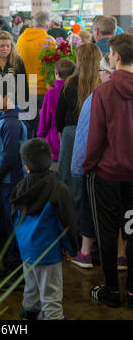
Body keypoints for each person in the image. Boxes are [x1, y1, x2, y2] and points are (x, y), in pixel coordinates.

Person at [83, 33, 133, 309]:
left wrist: (89, 165)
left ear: (116, 57)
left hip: (107, 174)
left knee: (107, 231)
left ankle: (112, 290)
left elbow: (96, 137)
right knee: (132, 229)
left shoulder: (103, 92)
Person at [10, 138, 78, 320]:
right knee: (51, 297)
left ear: (26, 166)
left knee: (31, 289)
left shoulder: (19, 188)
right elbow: (67, 223)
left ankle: (28, 316)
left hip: (27, 251)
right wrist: (71, 248)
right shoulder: (59, 189)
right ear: (50, 159)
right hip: (49, 254)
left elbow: (14, 220)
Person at [70, 54, 127, 271]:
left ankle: (85, 253)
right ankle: (122, 255)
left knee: (91, 209)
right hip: (126, 166)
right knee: (122, 210)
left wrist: (80, 169)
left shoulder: (96, 97)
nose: (99, 76)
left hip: (99, 167)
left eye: (101, 72)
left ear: (109, 73)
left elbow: (85, 138)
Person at [0, 82, 28, 288]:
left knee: (11, 228)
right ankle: (10, 267)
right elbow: (3, 150)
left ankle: (17, 273)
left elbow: (11, 157)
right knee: (4, 226)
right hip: (4, 181)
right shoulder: (5, 118)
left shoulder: (11, 122)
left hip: (9, 184)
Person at [55, 43, 102, 215]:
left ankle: (69, 219)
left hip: (71, 132)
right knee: (91, 175)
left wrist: (62, 134)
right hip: (96, 132)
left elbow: (60, 115)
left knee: (68, 176)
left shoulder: (71, 82)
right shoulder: (103, 83)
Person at [16, 11, 55, 137]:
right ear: (47, 25)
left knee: (25, 128)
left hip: (23, 90)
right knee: (40, 129)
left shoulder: (21, 39)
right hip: (41, 92)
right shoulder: (49, 41)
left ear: (32, 24)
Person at [37, 58, 75, 163]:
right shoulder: (77, 90)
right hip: (72, 138)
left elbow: (45, 120)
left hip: (54, 140)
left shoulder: (51, 93)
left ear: (56, 74)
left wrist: (40, 137)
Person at [0, 30, 29, 106]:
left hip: (14, 103)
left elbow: (23, 85)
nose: (5, 49)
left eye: (8, 46)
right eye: (2, 46)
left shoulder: (17, 61)